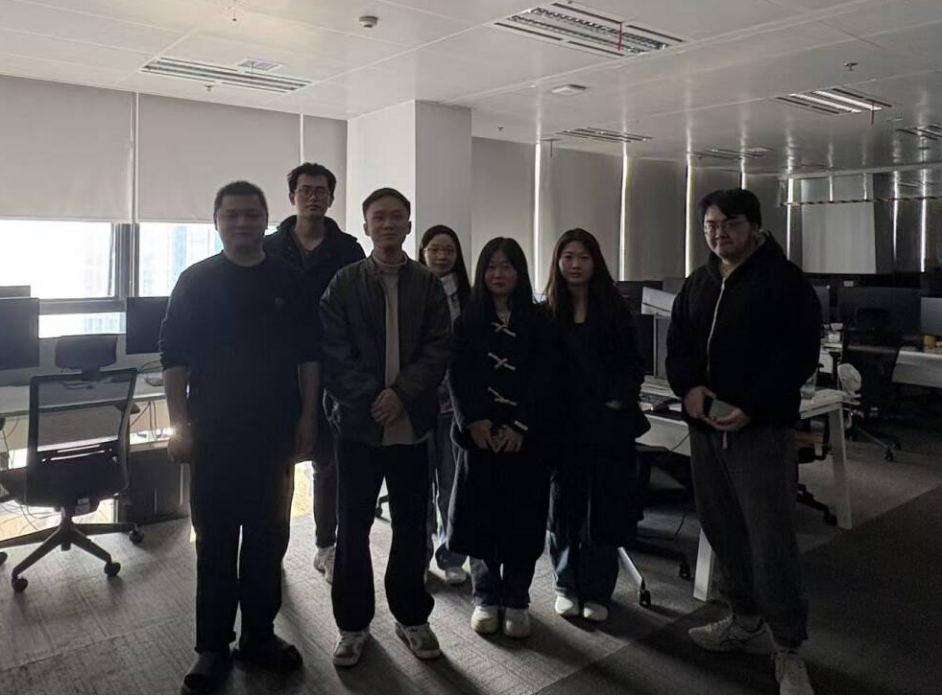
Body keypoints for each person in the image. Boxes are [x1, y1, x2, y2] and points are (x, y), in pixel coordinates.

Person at [161, 181, 319, 695]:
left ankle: (258, 635)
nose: (242, 223)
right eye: (232, 215)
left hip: (274, 432)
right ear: (217, 221)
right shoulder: (195, 281)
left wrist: (309, 417)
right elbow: (174, 360)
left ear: (266, 219)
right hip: (213, 435)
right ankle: (212, 646)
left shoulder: (289, 279)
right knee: (215, 541)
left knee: (268, 539)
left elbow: (309, 356)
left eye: (252, 214)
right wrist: (179, 424)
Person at [666, 189, 822, 696]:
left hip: (760, 430)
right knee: (721, 527)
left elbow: (797, 356)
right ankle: (744, 618)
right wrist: (688, 388)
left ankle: (788, 646)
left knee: (770, 537)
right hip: (707, 428)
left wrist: (752, 405)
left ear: (754, 226)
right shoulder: (699, 282)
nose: (719, 234)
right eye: (710, 226)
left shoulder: (784, 282)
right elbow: (679, 344)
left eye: (729, 224)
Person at [320, 188, 452, 668]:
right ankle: (352, 625)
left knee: (412, 527)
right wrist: (372, 398)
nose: (389, 224)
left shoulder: (427, 284)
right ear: (366, 226)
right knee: (352, 528)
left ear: (409, 226)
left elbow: (439, 347)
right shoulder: (344, 282)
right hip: (358, 428)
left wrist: (401, 395)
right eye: (380, 217)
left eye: (398, 217)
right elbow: (332, 350)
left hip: (411, 427)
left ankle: (412, 616)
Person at [448, 237, 562, 639]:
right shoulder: (467, 320)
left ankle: (516, 598)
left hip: (525, 440)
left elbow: (546, 379)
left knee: (522, 519)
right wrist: (475, 422)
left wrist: (520, 425)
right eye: (491, 267)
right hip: (479, 438)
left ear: (520, 271)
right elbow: (458, 376)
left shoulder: (541, 320)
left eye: (507, 266)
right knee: (480, 516)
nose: (498, 274)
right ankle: (485, 595)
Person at [264, 162, 365, 584]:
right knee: (278, 467)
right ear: (292, 197)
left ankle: (326, 545)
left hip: (332, 370)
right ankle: (272, 549)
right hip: (278, 372)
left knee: (329, 464)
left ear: (331, 198)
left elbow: (361, 311)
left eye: (320, 190)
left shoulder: (348, 250)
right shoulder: (269, 247)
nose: (312, 197)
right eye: (304, 190)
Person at [544, 228, 648, 624]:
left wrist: (617, 400)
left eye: (583, 257)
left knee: (604, 507)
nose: (575, 265)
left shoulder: (615, 311)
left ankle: (597, 589)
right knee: (564, 506)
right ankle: (565, 584)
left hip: (607, 425)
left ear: (596, 262)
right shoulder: (545, 312)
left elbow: (632, 364)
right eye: (568, 257)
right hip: (563, 425)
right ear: (557, 262)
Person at [418, 225, 472, 586]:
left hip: (455, 405)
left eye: (448, 250)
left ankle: (451, 555)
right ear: (423, 252)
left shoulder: (469, 298)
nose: (441, 256)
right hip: (419, 403)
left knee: (453, 486)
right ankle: (418, 557)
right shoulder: (412, 290)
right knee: (419, 487)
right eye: (434, 249)